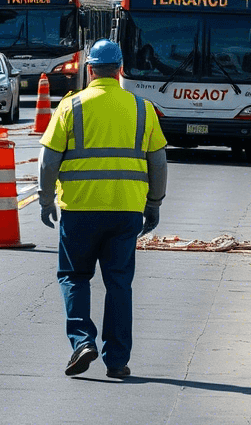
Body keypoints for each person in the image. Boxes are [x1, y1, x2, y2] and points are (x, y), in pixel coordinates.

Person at [38, 39, 168, 379]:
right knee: (119, 284)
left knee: (74, 277)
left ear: (90, 69)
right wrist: (153, 204)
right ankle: (117, 361)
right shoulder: (142, 108)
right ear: (120, 68)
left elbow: (49, 160)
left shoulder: (72, 106)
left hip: (79, 210)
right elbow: (158, 161)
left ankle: (83, 342)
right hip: (126, 211)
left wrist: (45, 198)